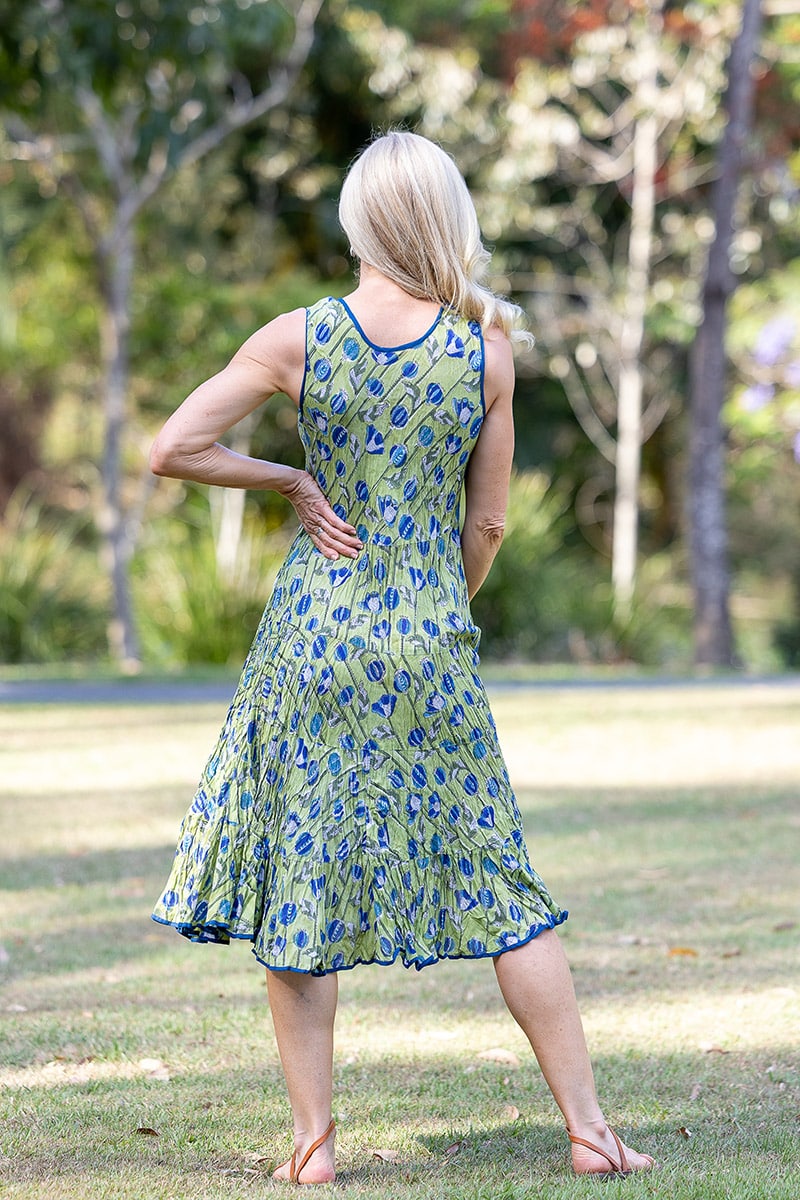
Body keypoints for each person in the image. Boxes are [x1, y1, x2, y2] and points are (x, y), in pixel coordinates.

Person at [150, 130, 657, 1185]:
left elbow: (173, 449)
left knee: (303, 877)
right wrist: (434, 609)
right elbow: (488, 527)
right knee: (501, 881)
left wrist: (290, 482)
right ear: (447, 219)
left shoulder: (300, 338)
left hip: (314, 636)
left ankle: (314, 1149)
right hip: (425, 634)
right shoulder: (485, 350)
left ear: (356, 222)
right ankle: (587, 1131)